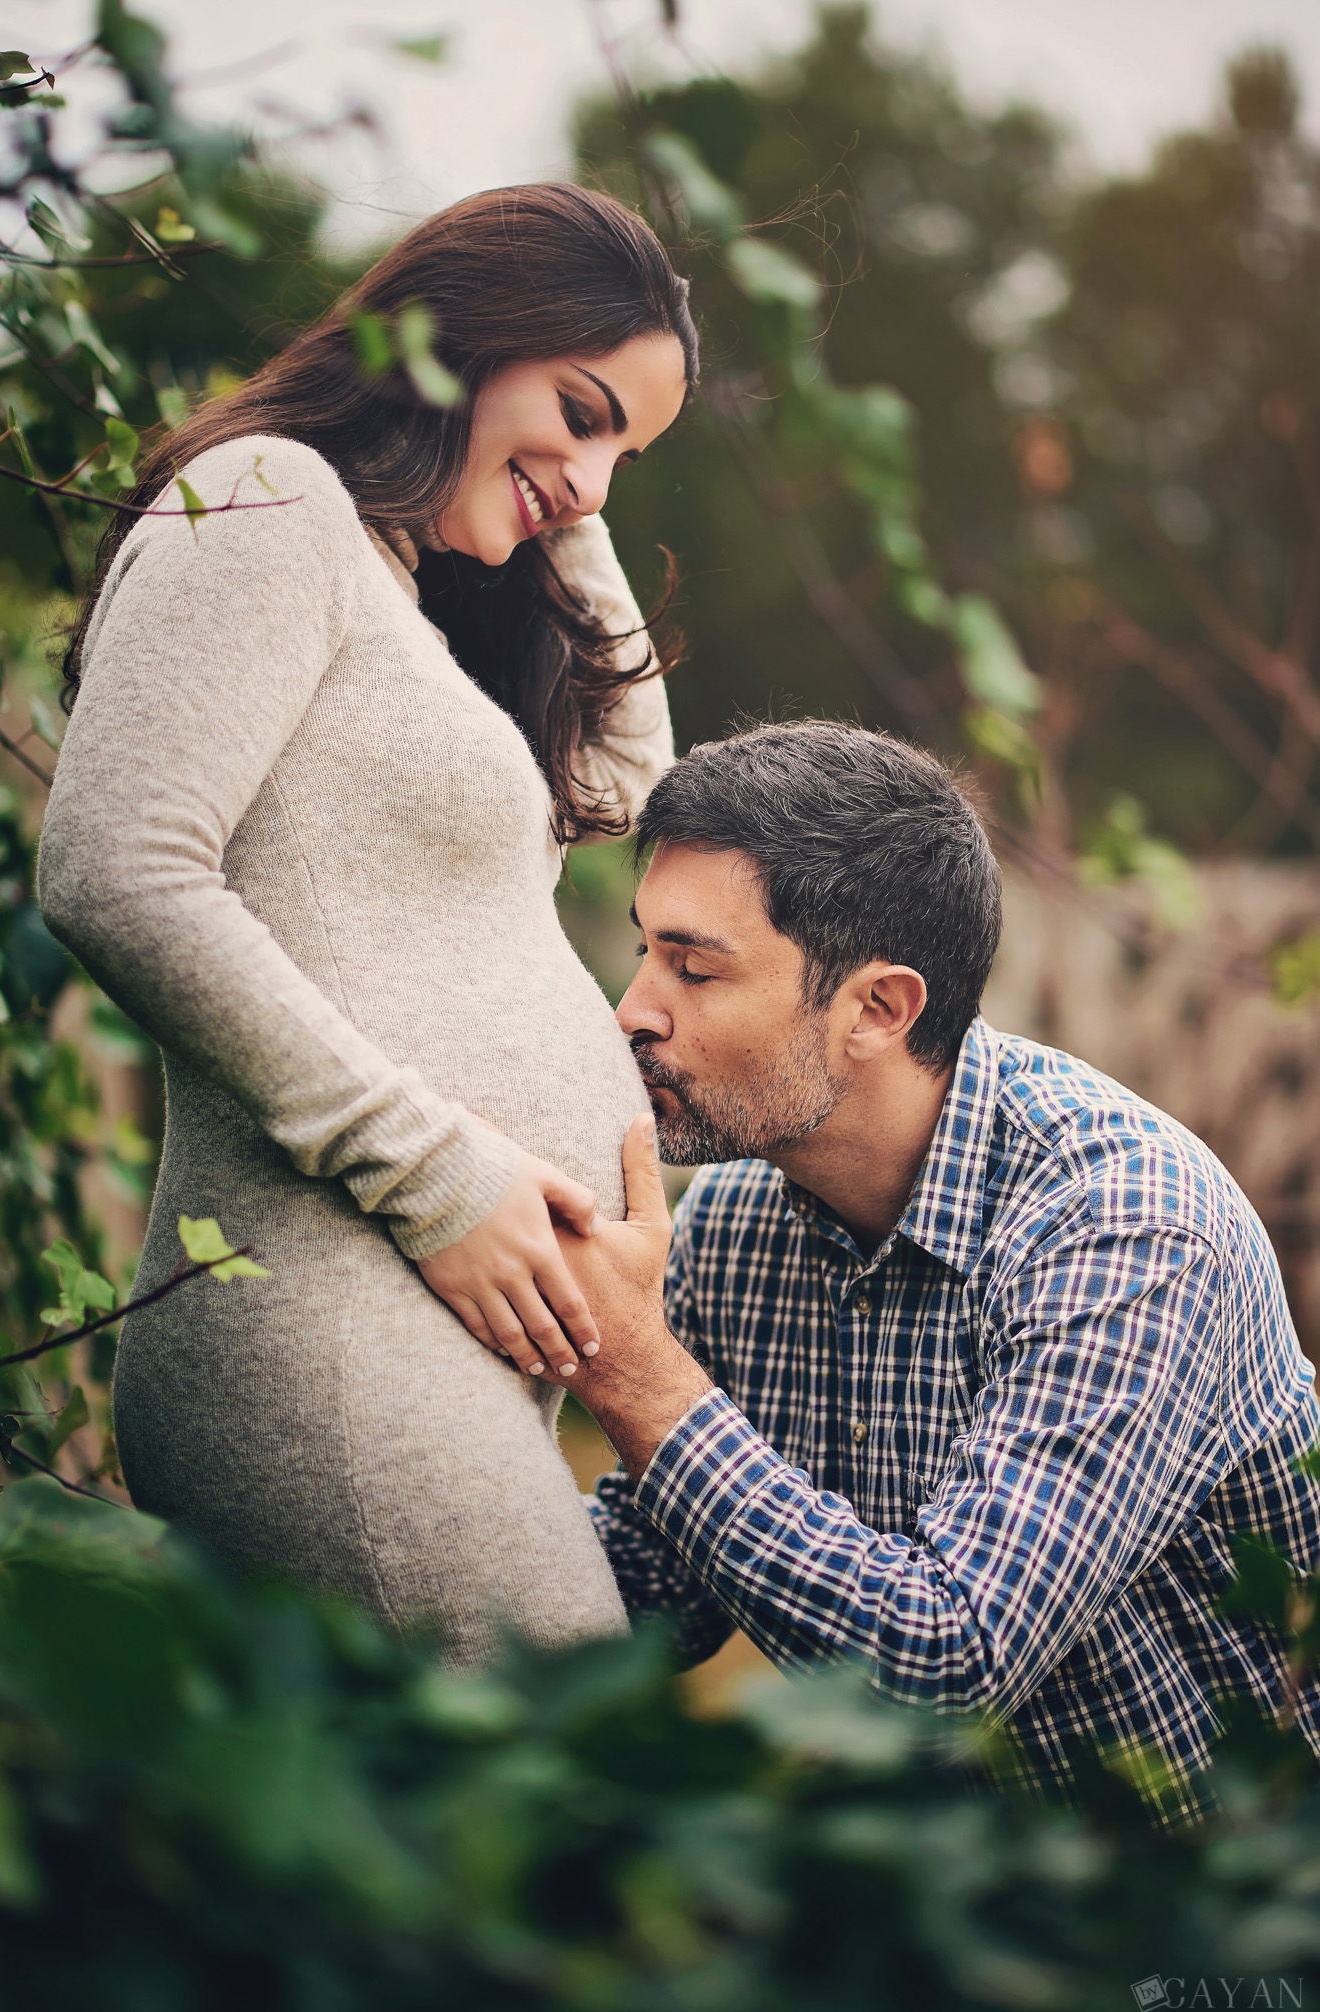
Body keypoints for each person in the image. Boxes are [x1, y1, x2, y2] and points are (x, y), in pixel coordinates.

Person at [36, 183, 694, 1662]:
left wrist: (559, 497)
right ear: (458, 338)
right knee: (564, 1811)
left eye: (626, 453)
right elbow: (113, 871)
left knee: (466, 1861)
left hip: (417, 1338)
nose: (593, 477)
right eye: (579, 409)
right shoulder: (273, 500)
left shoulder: (405, 584)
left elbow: (629, 780)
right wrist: (434, 1174)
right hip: (328, 1323)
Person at [530, 720, 1320, 1826]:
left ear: (878, 1009)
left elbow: (944, 1666)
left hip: (1222, 1904)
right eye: (646, 951)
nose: (634, 1010)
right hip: (946, 1913)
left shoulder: (1124, 1228)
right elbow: (649, 1588)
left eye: (695, 967)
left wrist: (635, 1373)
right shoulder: (737, 1226)